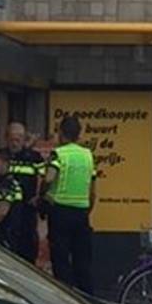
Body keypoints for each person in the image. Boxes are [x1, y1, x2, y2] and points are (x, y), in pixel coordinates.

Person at [43, 115, 96, 294]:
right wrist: (87, 208)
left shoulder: (59, 154)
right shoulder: (87, 155)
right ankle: (88, 298)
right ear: (78, 134)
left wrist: (42, 194)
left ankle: (66, 297)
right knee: (83, 261)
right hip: (82, 213)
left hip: (60, 212)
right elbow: (93, 190)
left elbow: (49, 178)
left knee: (61, 261)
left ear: (61, 133)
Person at [0, 122, 46, 263]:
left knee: (28, 251)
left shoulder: (34, 157)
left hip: (26, 210)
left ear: (24, 139)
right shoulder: (0, 156)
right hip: (5, 210)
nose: (15, 143)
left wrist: (38, 196)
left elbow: (43, 178)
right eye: (12, 139)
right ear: (6, 138)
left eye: (18, 139)